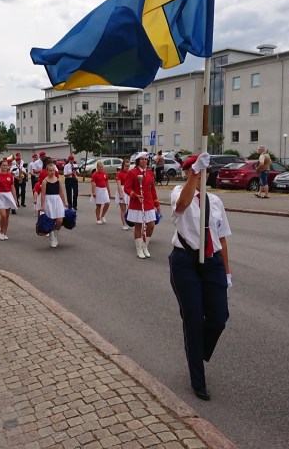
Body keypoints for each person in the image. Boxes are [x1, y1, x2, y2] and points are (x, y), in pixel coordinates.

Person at [169, 153, 232, 401]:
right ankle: (198, 378)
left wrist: (227, 272)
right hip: (185, 261)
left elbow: (222, 238)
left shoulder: (215, 201)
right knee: (193, 319)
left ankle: (196, 350)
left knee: (219, 317)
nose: (201, 176)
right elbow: (182, 205)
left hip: (212, 261)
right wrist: (194, 174)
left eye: (205, 172)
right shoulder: (178, 192)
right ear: (187, 173)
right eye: (195, 172)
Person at [124, 151, 160, 258]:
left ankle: (145, 246)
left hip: (148, 202)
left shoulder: (149, 172)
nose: (144, 161)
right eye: (142, 159)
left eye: (146, 159)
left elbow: (152, 189)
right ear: (138, 161)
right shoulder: (132, 172)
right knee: (138, 226)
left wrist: (157, 204)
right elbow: (127, 188)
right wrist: (135, 195)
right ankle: (139, 249)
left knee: (151, 225)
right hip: (137, 202)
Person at [40, 163, 67, 248]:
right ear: (47, 171)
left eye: (53, 170)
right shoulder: (45, 181)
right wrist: (42, 205)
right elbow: (43, 194)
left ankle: (55, 235)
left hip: (57, 200)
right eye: (50, 170)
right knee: (51, 220)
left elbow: (61, 192)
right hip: (49, 201)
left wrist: (64, 202)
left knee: (60, 220)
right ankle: (52, 239)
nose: (52, 172)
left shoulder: (58, 180)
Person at [90, 160, 111, 224]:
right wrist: (93, 192)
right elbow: (93, 184)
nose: (101, 168)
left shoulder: (105, 174)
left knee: (107, 203)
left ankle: (102, 216)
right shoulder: (94, 175)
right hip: (98, 189)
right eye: (100, 167)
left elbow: (107, 183)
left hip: (104, 189)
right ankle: (98, 219)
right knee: (98, 205)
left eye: (102, 167)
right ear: (97, 167)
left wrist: (109, 191)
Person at [115, 159, 131, 230]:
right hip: (122, 190)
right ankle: (124, 224)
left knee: (130, 208)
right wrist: (120, 194)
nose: (127, 168)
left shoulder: (130, 173)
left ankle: (128, 222)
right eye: (126, 166)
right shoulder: (119, 174)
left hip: (129, 190)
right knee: (123, 209)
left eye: (128, 166)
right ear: (123, 166)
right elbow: (118, 184)